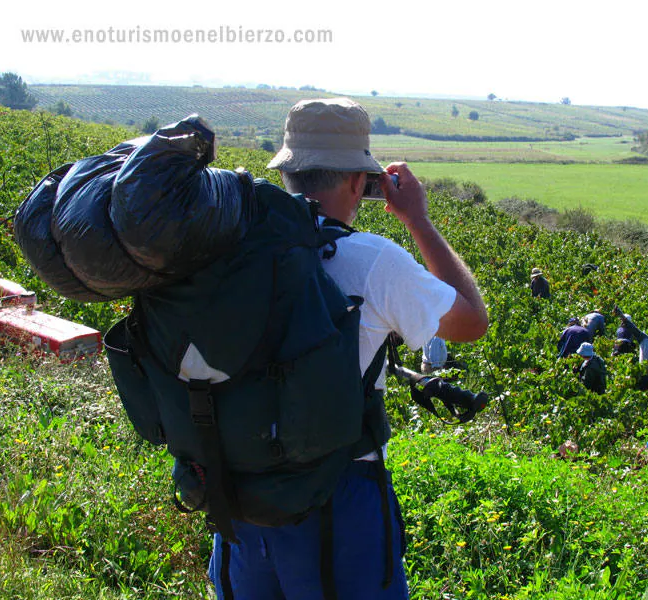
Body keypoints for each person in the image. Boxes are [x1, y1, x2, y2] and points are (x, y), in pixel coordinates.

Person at [208, 97, 488, 599]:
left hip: (242, 493)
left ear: (289, 171)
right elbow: (472, 319)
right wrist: (418, 220)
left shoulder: (229, 245)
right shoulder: (375, 261)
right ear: (360, 181)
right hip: (341, 497)